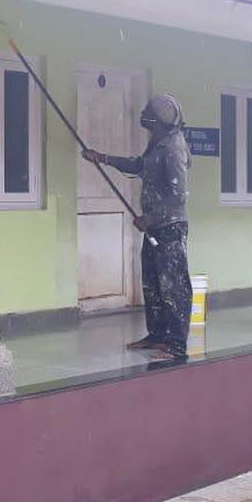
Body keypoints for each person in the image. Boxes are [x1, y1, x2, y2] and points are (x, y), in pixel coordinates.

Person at [82, 94, 193, 361]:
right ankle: (157, 336)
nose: (142, 114)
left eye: (147, 111)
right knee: (153, 283)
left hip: (170, 228)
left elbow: (178, 196)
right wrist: (103, 158)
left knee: (173, 287)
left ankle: (176, 344)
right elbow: (139, 166)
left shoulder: (173, 147)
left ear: (158, 119)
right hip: (155, 228)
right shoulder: (157, 143)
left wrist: (150, 219)